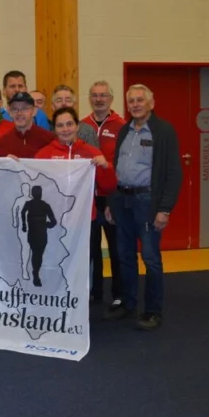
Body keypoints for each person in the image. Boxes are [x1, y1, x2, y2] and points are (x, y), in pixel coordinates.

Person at [106, 85, 182, 331]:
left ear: (151, 103)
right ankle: (129, 304)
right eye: (131, 101)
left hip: (147, 202)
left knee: (150, 258)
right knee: (125, 255)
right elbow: (117, 167)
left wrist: (165, 209)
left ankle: (153, 311)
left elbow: (173, 172)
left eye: (140, 100)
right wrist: (112, 202)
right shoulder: (124, 130)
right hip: (123, 200)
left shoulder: (163, 131)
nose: (135, 105)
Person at [35, 107, 117, 286]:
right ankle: (56, 297)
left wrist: (105, 166)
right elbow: (35, 184)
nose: (65, 129)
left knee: (83, 262)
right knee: (56, 261)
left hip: (85, 219)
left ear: (77, 126)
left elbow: (108, 186)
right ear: (54, 129)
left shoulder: (91, 152)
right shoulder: (44, 154)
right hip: (56, 221)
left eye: (69, 124)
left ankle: (83, 299)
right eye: (60, 125)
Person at [84, 80, 125, 305]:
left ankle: (119, 294)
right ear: (90, 99)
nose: (99, 99)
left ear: (111, 99)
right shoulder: (81, 125)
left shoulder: (122, 126)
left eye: (103, 95)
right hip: (88, 197)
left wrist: (113, 195)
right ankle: (95, 292)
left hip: (112, 197)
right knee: (91, 248)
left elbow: (124, 164)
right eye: (95, 95)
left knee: (117, 249)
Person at [0, 92, 54, 159]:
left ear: (34, 111)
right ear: (10, 112)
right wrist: (5, 163)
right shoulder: (1, 144)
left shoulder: (49, 140)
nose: (19, 113)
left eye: (24, 108)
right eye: (15, 109)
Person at [19, 187, 56, 288]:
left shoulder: (29, 204)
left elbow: (23, 212)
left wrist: (24, 225)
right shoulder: (45, 205)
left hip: (34, 233)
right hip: (40, 234)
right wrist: (46, 224)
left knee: (36, 254)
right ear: (41, 194)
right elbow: (53, 222)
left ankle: (35, 273)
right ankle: (35, 273)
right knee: (38, 254)